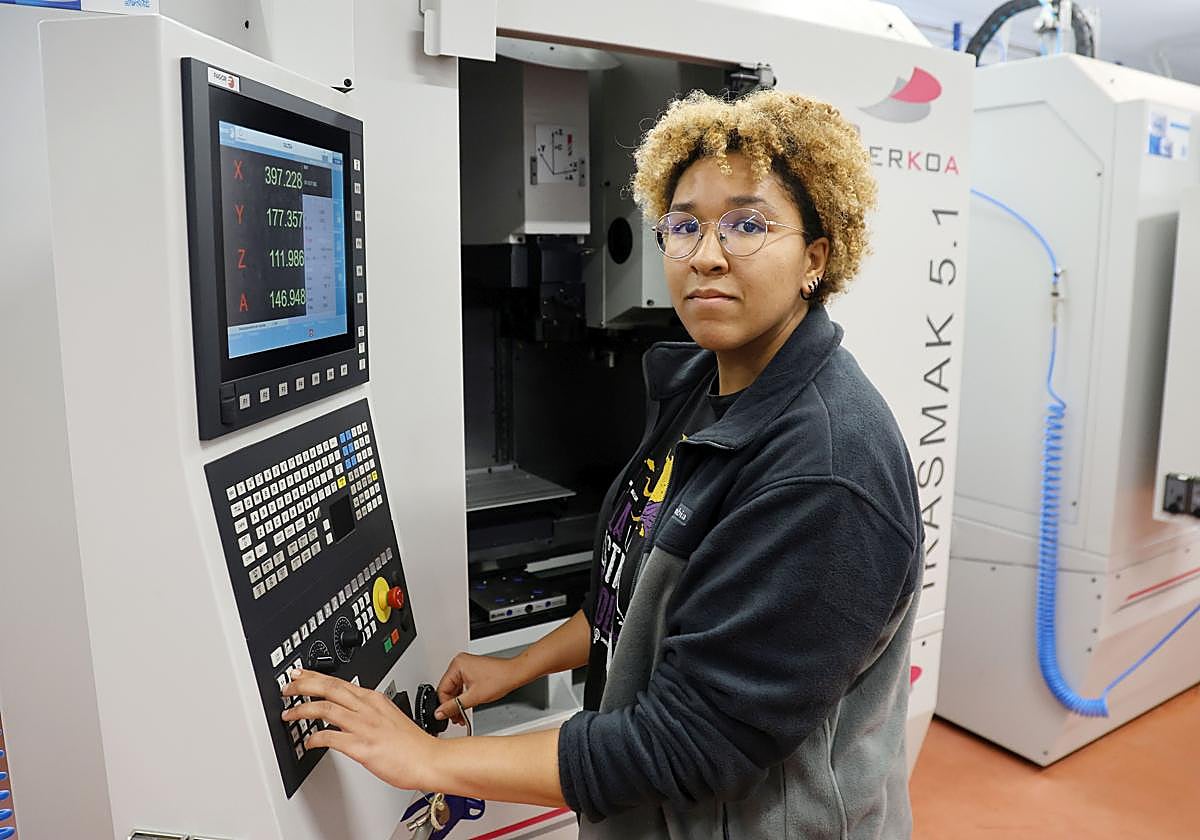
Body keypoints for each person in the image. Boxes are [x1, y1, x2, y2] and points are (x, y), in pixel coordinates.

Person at [283, 89, 924, 839]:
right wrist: (518, 665)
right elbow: (644, 592)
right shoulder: (701, 388)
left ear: (816, 256)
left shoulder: (826, 471)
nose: (707, 254)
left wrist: (426, 761)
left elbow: (685, 744)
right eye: (684, 226)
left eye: (747, 224)